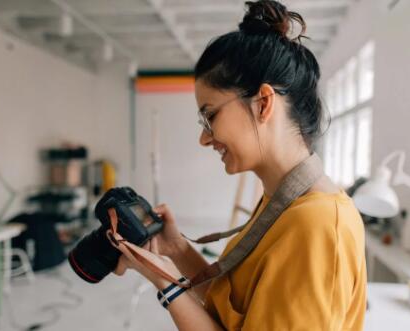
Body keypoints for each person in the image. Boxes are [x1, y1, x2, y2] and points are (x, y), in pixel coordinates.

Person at [111, 1, 367, 330]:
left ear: (263, 102)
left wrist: (166, 283)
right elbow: (234, 311)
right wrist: (176, 250)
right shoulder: (284, 204)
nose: (205, 138)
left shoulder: (317, 226)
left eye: (211, 115)